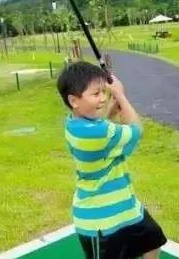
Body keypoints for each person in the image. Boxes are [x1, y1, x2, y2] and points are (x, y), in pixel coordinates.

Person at [57, 61, 167, 259]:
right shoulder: (98, 133)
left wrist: (112, 112)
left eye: (104, 92)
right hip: (99, 220)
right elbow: (136, 131)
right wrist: (121, 96)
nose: (102, 99)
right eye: (96, 94)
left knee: (153, 241)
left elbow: (103, 129)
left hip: (126, 207)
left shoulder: (74, 123)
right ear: (74, 100)